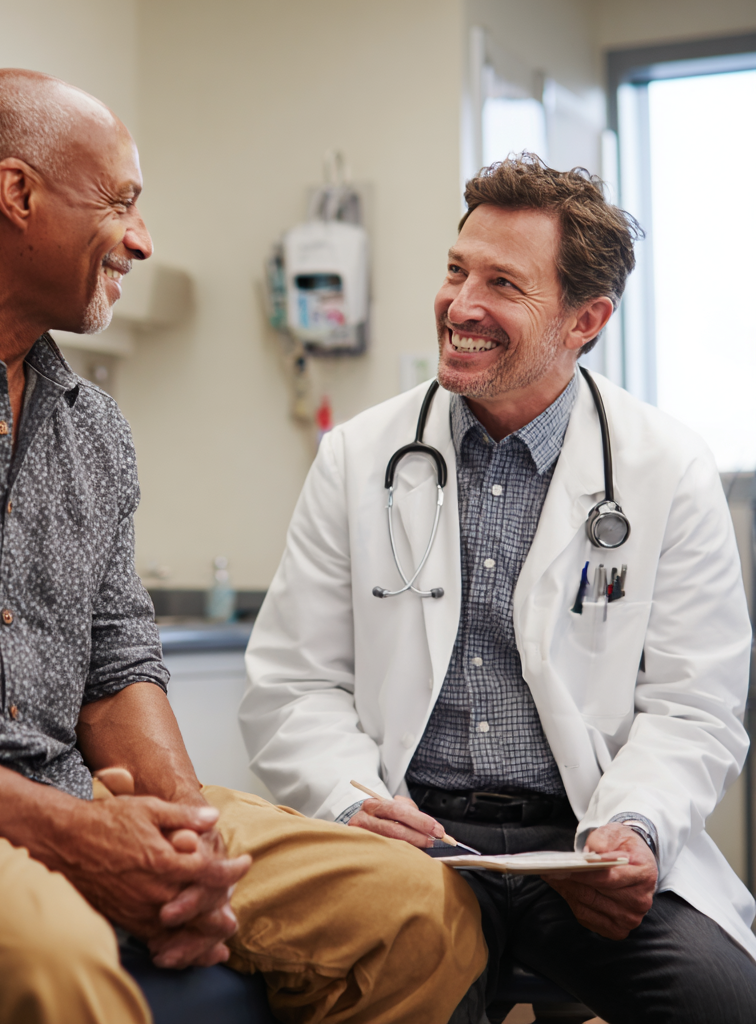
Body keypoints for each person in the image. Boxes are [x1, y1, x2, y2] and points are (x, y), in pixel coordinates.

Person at [0, 70, 486, 1024]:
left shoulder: (92, 428)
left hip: (66, 795)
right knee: (59, 954)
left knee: (419, 907)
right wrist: (71, 835)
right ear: (20, 196)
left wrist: (185, 838)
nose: (143, 238)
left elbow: (118, 665)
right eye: (122, 203)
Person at [241, 155, 756, 1024]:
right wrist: (353, 799)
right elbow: (293, 685)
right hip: (415, 841)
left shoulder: (667, 468)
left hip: (584, 842)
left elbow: (694, 704)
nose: (460, 305)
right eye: (455, 270)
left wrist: (633, 827)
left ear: (585, 319)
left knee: (722, 1002)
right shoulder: (359, 457)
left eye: (502, 284)